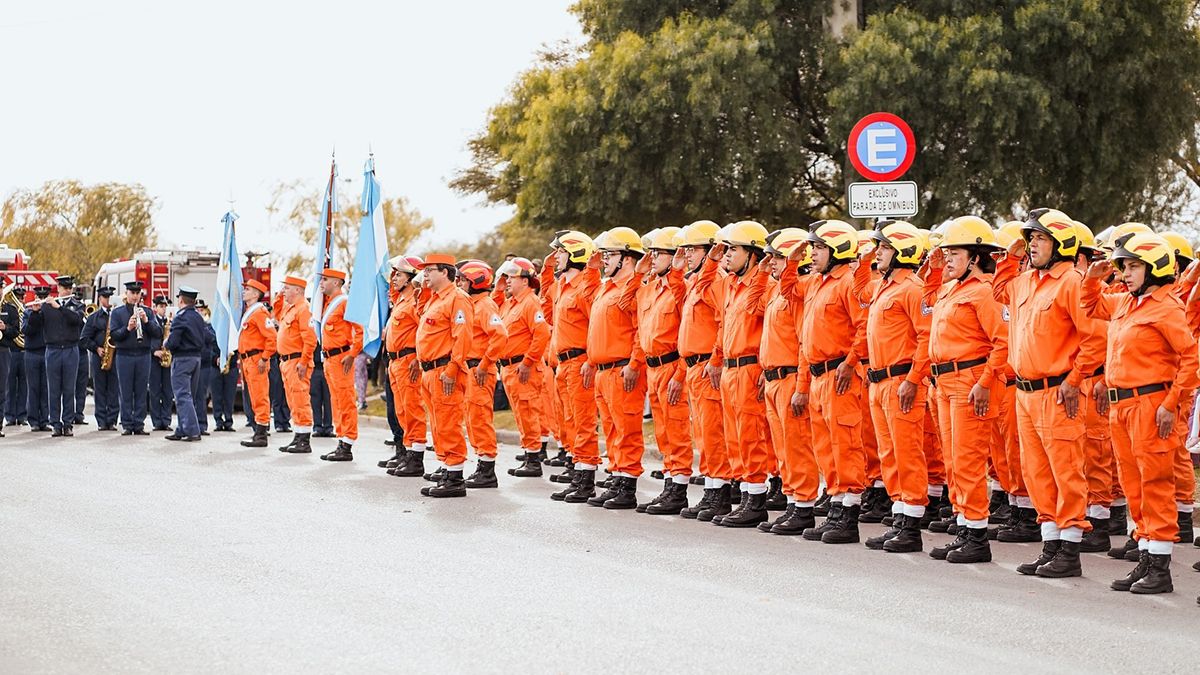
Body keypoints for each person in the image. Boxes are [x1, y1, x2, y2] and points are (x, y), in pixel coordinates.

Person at [1082, 232, 1198, 595]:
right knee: (1134, 486)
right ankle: (1146, 556)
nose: (1127, 273)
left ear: (1155, 268)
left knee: (1156, 485)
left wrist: (1171, 403)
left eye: (1133, 266)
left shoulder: (1166, 307)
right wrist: (1092, 277)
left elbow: (1191, 359)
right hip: (1122, 406)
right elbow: (1091, 305)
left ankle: (1160, 567)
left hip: (1151, 405)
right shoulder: (1127, 304)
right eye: (1125, 266)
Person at [993, 208, 1106, 579]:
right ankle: (1050, 544)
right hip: (1026, 393)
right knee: (1037, 471)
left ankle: (1070, 549)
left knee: (1065, 470)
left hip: (1058, 391)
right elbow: (999, 291)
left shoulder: (1071, 282)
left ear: (1061, 243)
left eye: (1040, 238)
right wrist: (1010, 257)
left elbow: (1095, 338)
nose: (1033, 245)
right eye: (1031, 239)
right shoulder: (1025, 280)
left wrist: (1075, 380)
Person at [920, 217, 1009, 563]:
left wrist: (985, 383)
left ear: (975, 257)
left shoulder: (983, 292)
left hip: (968, 382)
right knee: (953, 461)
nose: (948, 259)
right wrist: (932, 270)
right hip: (943, 382)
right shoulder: (948, 289)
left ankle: (976, 536)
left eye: (955, 253)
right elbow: (926, 303)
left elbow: (1002, 342)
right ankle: (963, 526)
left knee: (969, 460)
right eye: (947, 253)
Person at [797, 221, 869, 543]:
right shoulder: (815, 283)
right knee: (826, 448)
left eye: (820, 247)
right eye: (812, 247)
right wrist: (791, 257)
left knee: (846, 445)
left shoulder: (848, 283)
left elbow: (863, 327)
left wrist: (850, 363)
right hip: (817, 377)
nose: (813, 253)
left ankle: (849, 515)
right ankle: (836, 506)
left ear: (838, 250)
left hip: (839, 376)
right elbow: (787, 287)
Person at [755, 229, 822, 535]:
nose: (772, 263)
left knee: (797, 446)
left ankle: (804, 507)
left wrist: (802, 386)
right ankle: (793, 502)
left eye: (778, 257)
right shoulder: (776, 290)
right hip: (773, 377)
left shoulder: (803, 289)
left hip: (791, 376)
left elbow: (804, 343)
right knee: (783, 448)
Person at [708, 221, 773, 527]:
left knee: (751, 436)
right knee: (734, 437)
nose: (727, 255)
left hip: (749, 368)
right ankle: (745, 494)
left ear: (753, 255)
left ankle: (756, 499)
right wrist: (716, 358)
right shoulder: (732, 286)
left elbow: (769, 329)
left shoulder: (763, 286)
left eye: (734, 249)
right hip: (730, 369)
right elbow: (723, 327)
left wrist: (763, 366)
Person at [674, 221, 734, 519]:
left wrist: (715, 358)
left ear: (711, 250)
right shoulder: (698, 281)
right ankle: (712, 490)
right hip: (694, 367)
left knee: (713, 434)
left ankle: (720, 495)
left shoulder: (717, 280)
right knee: (704, 434)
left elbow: (724, 322)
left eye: (693, 249)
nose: (686, 254)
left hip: (708, 366)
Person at [634, 227, 693, 515]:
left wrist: (680, 375)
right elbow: (627, 306)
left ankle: (678, 489)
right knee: (663, 433)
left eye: (659, 253)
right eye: (652, 252)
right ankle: (669, 483)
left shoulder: (679, 289)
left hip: (672, 365)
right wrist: (638, 273)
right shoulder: (650, 289)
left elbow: (688, 334)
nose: (652, 257)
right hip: (653, 367)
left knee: (677, 430)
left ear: (675, 257)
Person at [541, 231, 602, 503]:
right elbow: (546, 305)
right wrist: (546, 270)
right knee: (569, 423)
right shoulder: (564, 286)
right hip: (563, 365)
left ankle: (586, 480)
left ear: (576, 255)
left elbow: (597, 327)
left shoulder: (585, 288)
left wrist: (590, 360)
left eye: (562, 253)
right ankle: (577, 471)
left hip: (579, 363)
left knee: (583, 423)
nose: (557, 258)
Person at [414, 253, 474, 498]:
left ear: (445, 272)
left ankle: (455, 477)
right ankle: (447, 468)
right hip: (430, 370)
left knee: (448, 422)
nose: (425, 275)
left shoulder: (458, 298)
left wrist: (453, 368)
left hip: (445, 370)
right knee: (438, 424)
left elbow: (463, 336)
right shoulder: (434, 299)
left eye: (430, 270)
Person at [455, 259, 508, 487]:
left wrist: (486, 364)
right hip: (471, 368)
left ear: (476, 281)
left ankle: (487, 469)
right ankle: (481, 463)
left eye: (464, 279)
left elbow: (500, 335)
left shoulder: (485, 305)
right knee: (471, 417)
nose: (460, 283)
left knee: (480, 417)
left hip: (480, 369)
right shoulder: (470, 303)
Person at [382, 255, 428, 476]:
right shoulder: (401, 299)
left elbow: (425, 332)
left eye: (399, 274)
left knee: (412, 408)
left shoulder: (415, 302)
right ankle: (408, 452)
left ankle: (416, 457)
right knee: (401, 410)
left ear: (412, 278)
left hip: (409, 360)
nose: (394, 278)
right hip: (395, 361)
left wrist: (418, 358)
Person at [314, 268, 363, 462]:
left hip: (342, 358)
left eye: (325, 279)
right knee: (336, 401)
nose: (321, 283)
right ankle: (341, 440)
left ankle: (348, 443)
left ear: (336, 282)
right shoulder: (328, 304)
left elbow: (359, 331)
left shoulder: (344, 302)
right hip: (329, 359)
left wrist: (352, 355)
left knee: (345, 400)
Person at [109, 281, 162, 435]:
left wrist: (146, 321)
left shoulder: (148, 312)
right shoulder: (118, 313)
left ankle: (138, 424)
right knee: (125, 391)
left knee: (140, 390)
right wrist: (128, 328)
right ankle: (126, 424)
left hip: (143, 355)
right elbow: (114, 336)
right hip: (124, 355)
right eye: (132, 293)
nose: (135, 296)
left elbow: (157, 333)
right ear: (127, 294)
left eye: (137, 293)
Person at [35, 276, 84, 436]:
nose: (67, 290)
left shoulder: (77, 305)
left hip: (71, 349)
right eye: (64, 287)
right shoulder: (46, 306)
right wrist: (35, 312)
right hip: (53, 350)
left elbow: (76, 320)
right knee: (54, 389)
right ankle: (55, 423)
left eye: (69, 287)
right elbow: (33, 328)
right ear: (58, 288)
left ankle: (68, 423)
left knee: (69, 388)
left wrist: (59, 307)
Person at [275, 276, 317, 453]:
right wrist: (279, 296)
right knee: (293, 401)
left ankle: (304, 440)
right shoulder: (289, 309)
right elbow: (276, 313)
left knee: (300, 399)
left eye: (287, 288)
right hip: (286, 361)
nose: (284, 291)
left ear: (298, 290)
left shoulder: (304, 309)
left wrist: (304, 361)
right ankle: (297, 435)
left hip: (297, 360)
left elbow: (310, 339)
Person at [238, 279, 277, 447]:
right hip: (248, 359)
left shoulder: (259, 313)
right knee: (253, 396)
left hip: (256, 359)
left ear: (256, 294)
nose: (244, 292)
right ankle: (257, 431)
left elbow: (272, 338)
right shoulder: (250, 312)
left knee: (260, 395)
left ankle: (261, 434)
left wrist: (265, 357)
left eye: (247, 289)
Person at [164, 286, 205, 442]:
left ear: (180, 300)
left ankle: (192, 431)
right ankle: (182, 429)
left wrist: (166, 342)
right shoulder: (198, 317)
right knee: (189, 396)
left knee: (182, 395)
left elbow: (173, 342)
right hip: (196, 359)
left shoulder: (180, 317)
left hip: (182, 359)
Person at [79, 286, 119, 430]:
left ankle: (112, 420)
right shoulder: (94, 317)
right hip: (98, 357)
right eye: (105, 297)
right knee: (100, 389)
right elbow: (84, 338)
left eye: (110, 297)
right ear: (100, 299)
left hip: (115, 357)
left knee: (114, 389)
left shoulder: (117, 315)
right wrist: (96, 348)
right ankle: (102, 421)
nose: (108, 300)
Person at [22, 286, 50, 432]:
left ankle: (45, 420)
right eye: (39, 296)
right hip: (32, 353)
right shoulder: (28, 312)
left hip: (46, 351)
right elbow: (26, 330)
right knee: (33, 387)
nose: (41, 299)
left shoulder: (49, 313)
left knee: (45, 388)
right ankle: (33, 420)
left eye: (44, 296)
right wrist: (35, 312)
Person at [148, 296, 174, 431]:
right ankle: (157, 421)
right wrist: (154, 351)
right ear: (155, 308)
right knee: (155, 391)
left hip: (167, 359)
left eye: (165, 306)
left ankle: (166, 420)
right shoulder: (152, 321)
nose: (164, 309)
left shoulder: (171, 321)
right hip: (154, 360)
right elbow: (147, 339)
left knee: (168, 392)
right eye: (161, 306)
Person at [0, 291, 18, 437]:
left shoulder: (10, 309)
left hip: (3, 351)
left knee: (1, 390)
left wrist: (5, 328)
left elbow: (16, 332)